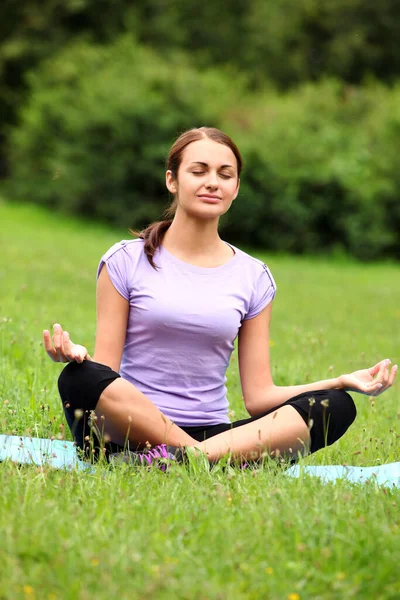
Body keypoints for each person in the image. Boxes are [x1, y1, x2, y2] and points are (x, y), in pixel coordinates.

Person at [43, 127, 397, 467]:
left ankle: (191, 459)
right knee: (79, 378)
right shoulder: (125, 261)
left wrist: (339, 381)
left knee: (335, 406)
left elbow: (259, 397)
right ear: (172, 180)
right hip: (130, 431)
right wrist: (79, 358)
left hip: (214, 435)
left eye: (225, 174)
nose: (212, 181)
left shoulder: (253, 276)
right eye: (199, 171)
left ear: (236, 187)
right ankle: (206, 460)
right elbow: (107, 375)